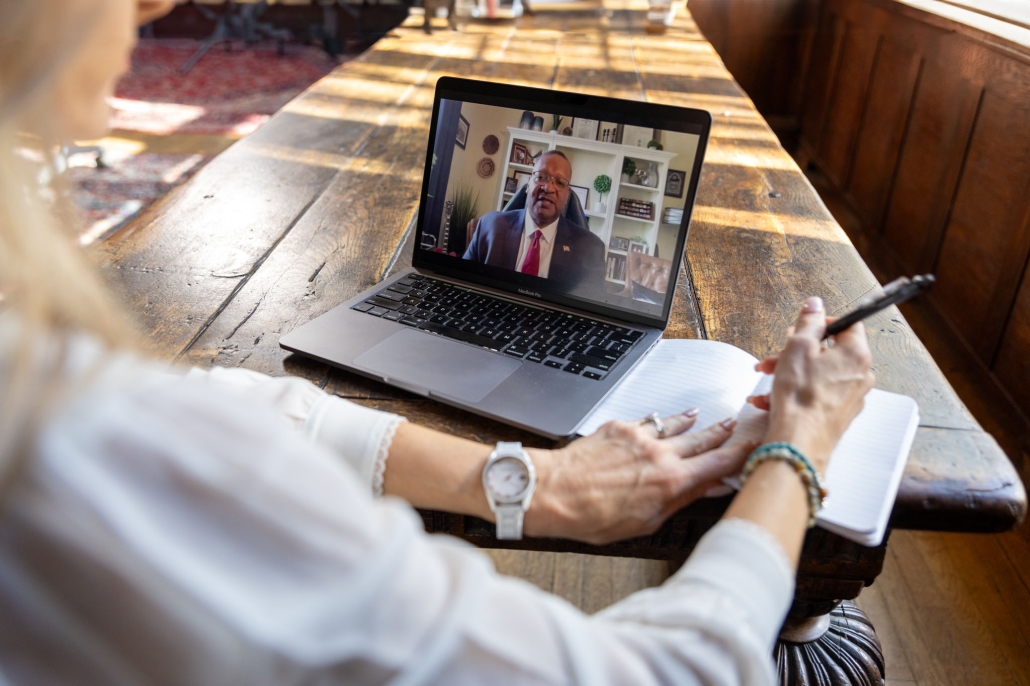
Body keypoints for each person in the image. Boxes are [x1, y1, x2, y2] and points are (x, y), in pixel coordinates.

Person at [0, 1, 875, 683]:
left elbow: (226, 400)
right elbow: (659, 674)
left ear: (571, 193)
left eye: (560, 180)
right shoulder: (77, 440)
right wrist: (797, 449)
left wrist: (532, 480)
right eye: (539, 173)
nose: (157, 7)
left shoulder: (62, 386)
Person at [464, 151, 607, 296]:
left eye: (559, 182)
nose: (548, 188)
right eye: (540, 177)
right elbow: (463, 284)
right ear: (527, 185)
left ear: (567, 195)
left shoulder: (591, 248)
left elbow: (589, 309)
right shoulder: (488, 227)